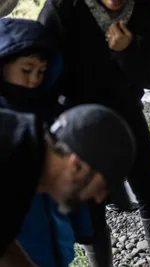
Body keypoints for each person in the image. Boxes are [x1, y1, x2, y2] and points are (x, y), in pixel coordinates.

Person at [38, 0, 150, 265]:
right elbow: (40, 70)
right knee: (91, 204)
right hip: (75, 120)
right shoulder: (63, 8)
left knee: (149, 192)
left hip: (126, 112)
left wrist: (127, 50)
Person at [0, 17, 94, 267]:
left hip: (55, 239)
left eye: (41, 72)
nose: (33, 80)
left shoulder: (50, 114)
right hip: (16, 242)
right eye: (26, 70)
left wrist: (83, 227)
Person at [0, 103, 135, 266]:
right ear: (76, 166)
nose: (99, 199)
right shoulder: (10, 159)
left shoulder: (28, 160)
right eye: (101, 188)